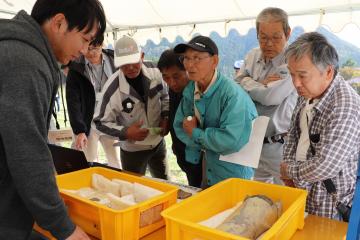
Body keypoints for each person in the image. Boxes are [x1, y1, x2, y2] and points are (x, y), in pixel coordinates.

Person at [0, 0, 106, 239]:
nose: (83, 50)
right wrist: (64, 227)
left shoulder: (19, 50)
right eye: (85, 38)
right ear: (59, 23)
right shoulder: (24, 61)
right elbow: (26, 149)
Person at [280, 32, 360, 219]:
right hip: (301, 193)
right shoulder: (307, 92)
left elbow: (327, 165)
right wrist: (289, 173)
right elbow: (293, 134)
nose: (296, 83)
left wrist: (290, 170)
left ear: (328, 72)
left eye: (302, 75)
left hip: (328, 205)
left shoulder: (345, 106)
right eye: (292, 75)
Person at [173, 35, 257, 187]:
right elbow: (180, 125)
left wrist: (196, 134)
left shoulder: (232, 94)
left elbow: (231, 141)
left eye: (197, 58)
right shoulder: (191, 88)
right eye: (186, 58)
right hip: (206, 166)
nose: (189, 65)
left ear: (214, 61)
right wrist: (204, 140)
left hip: (233, 173)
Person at [235, 7, 297, 185]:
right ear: (257, 35)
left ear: (288, 34)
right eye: (263, 37)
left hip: (281, 146)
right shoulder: (252, 55)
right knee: (258, 197)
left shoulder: (292, 60)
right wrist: (260, 85)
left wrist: (248, 81)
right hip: (252, 142)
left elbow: (272, 97)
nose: (269, 44)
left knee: (285, 199)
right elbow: (235, 87)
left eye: (276, 37)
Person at [93, 35, 170, 179]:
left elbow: (165, 97)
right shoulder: (112, 88)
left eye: (134, 62)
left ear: (141, 56)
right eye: (124, 64)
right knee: (133, 189)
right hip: (132, 150)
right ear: (117, 64)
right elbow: (99, 122)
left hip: (158, 143)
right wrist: (126, 132)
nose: (130, 68)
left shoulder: (155, 71)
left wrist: (165, 116)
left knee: (165, 184)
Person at [66, 35, 121, 168]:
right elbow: (73, 101)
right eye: (87, 49)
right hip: (88, 122)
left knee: (116, 162)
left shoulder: (115, 60)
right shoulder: (76, 67)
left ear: (102, 44)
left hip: (110, 120)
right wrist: (79, 130)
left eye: (95, 48)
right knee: (87, 160)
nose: (90, 53)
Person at [158, 49, 202, 187]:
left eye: (176, 76)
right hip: (181, 152)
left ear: (187, 70)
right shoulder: (174, 89)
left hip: (199, 157)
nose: (171, 82)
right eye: (166, 77)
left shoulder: (198, 92)